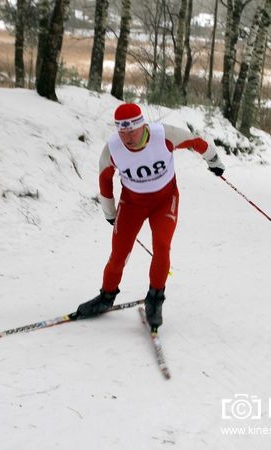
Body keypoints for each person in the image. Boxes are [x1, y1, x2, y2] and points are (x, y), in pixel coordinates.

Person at [75, 103, 225, 330]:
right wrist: (110, 212)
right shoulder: (112, 149)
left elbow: (196, 142)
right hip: (132, 203)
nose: (127, 138)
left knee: (162, 247)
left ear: (142, 125)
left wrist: (214, 160)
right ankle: (106, 297)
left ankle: (155, 299)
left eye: (131, 131)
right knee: (119, 252)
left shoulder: (163, 135)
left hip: (164, 201)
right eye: (121, 132)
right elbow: (105, 180)